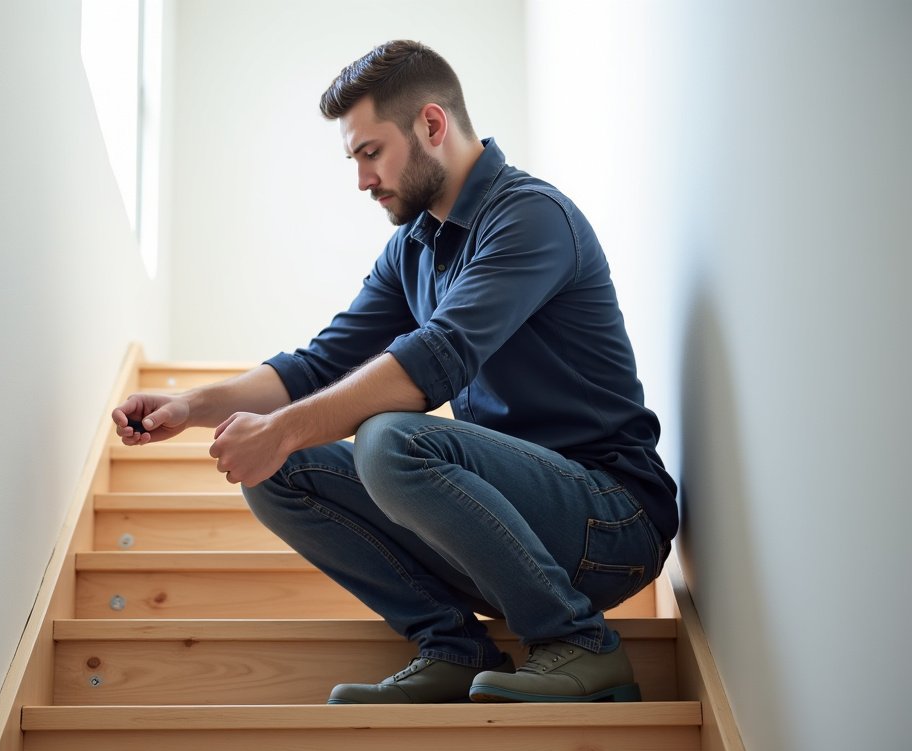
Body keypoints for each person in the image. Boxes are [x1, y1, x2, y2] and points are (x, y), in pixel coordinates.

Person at [111, 40, 676, 705]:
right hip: (500, 530)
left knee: (391, 438)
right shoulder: (411, 250)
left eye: (371, 153)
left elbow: (435, 359)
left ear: (431, 125)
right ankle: (453, 648)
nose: (361, 180)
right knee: (278, 470)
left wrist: (284, 428)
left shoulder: (530, 217)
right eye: (352, 159)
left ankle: (580, 644)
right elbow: (321, 364)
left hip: (609, 522)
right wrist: (189, 404)